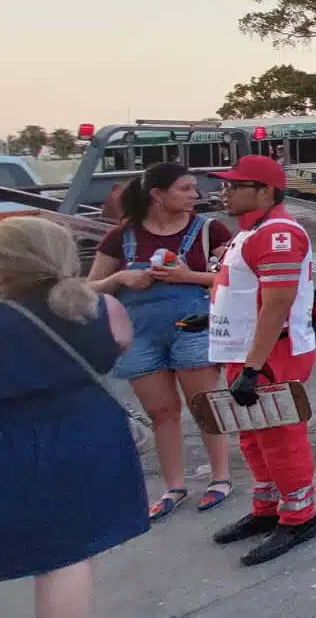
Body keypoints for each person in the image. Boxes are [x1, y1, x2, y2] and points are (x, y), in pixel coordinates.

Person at [1, 216, 148, 618]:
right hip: (86, 437)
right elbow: (117, 348)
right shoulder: (103, 307)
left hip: (11, 440)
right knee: (65, 557)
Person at [86, 162, 234, 520]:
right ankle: (174, 486)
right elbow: (87, 289)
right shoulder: (122, 237)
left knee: (204, 405)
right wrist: (121, 277)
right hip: (140, 335)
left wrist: (189, 275)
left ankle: (220, 478)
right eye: (185, 189)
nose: (194, 196)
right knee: (161, 412)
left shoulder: (209, 230)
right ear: (157, 194)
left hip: (194, 327)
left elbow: (235, 279)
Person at [208, 155, 316, 565]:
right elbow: (244, 290)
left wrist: (254, 369)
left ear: (264, 191)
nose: (226, 192)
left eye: (235, 186)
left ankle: (299, 517)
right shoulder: (250, 232)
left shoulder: (277, 234)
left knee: (279, 436)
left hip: (272, 353)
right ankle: (268, 508)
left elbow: (276, 305)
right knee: (253, 435)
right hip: (248, 350)